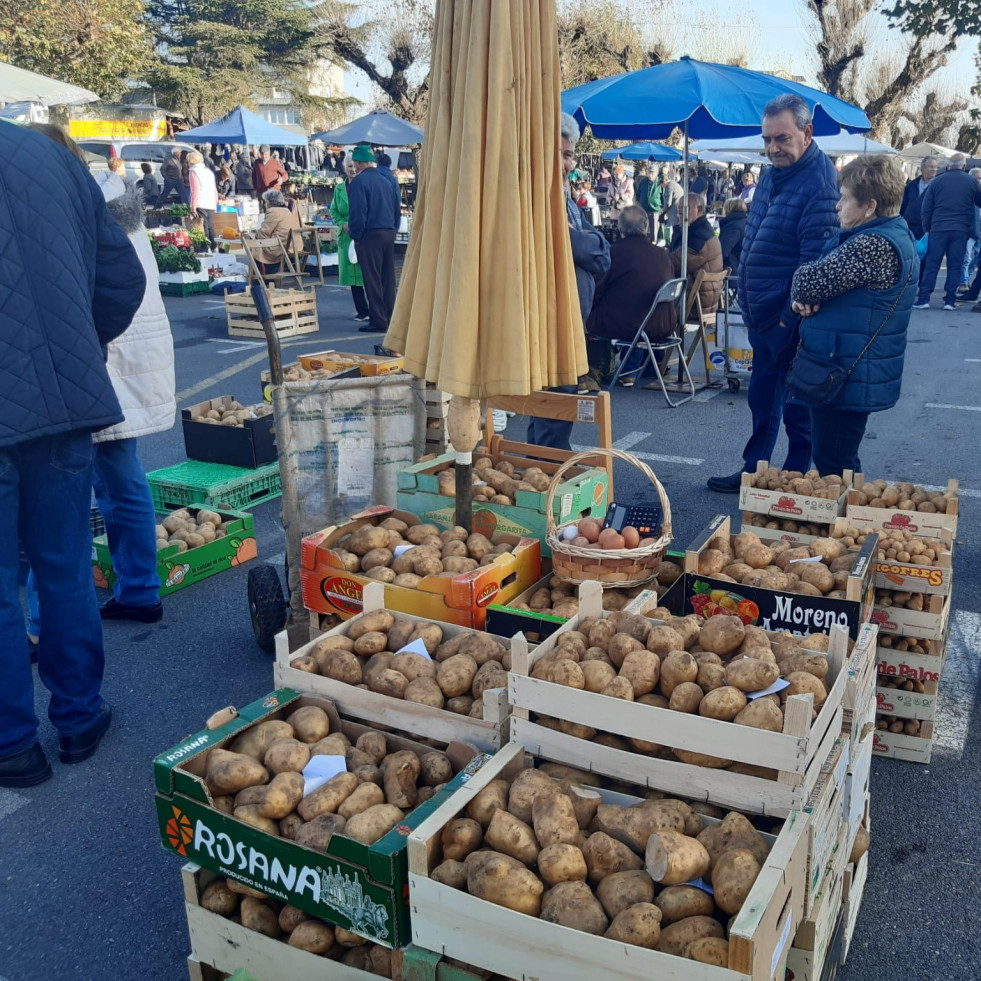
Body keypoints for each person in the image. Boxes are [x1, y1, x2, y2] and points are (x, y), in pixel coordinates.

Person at [0, 123, 145, 788]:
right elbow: (122, 277)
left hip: (42, 403)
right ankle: (80, 718)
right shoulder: (48, 156)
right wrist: (75, 346)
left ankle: (12, 743)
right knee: (62, 567)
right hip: (61, 404)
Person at [28, 171, 176, 636]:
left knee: (58, 493)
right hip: (123, 367)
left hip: (96, 367)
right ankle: (139, 590)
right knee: (120, 479)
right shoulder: (120, 211)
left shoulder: (79, 216)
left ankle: (42, 619)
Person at [708, 94, 840, 492]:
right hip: (762, 315)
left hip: (791, 320)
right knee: (762, 401)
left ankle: (795, 480)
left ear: (807, 133)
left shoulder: (819, 182)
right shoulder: (770, 174)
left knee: (797, 409)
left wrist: (786, 318)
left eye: (781, 139)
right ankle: (756, 472)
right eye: (767, 139)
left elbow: (813, 263)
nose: (772, 148)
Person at [789, 156, 916, 474]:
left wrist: (804, 293)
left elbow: (806, 282)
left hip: (844, 371)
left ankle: (847, 523)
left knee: (835, 461)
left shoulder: (873, 245)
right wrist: (806, 298)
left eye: (844, 198)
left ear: (870, 206)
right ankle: (847, 520)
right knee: (837, 457)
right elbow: (816, 288)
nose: (837, 206)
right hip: (847, 366)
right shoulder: (888, 234)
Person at [527, 112, 610, 447]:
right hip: (551, 321)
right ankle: (547, 473)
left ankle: (543, 466)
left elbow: (601, 253)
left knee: (554, 408)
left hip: (571, 320)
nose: (563, 164)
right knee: (554, 406)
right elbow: (578, 246)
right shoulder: (538, 200)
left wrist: (588, 245)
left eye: (567, 154)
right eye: (556, 154)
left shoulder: (565, 200)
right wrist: (588, 245)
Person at [584, 205, 674, 388]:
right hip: (662, 324)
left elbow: (596, 290)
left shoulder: (613, 252)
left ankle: (596, 370)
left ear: (620, 227)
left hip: (628, 326)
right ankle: (635, 369)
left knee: (590, 310)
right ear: (646, 227)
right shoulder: (662, 255)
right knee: (631, 306)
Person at [914, 153, 981, 310]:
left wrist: (927, 229)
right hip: (960, 230)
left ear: (948, 166)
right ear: (964, 166)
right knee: (955, 265)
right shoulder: (972, 181)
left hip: (938, 229)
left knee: (932, 264)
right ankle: (950, 301)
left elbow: (926, 207)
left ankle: (924, 299)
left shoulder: (937, 181)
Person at [349, 145, 401, 334]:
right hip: (388, 232)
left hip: (370, 234)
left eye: (355, 163)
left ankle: (378, 319)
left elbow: (357, 212)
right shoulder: (386, 180)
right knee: (388, 279)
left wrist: (356, 235)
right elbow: (396, 207)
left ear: (359, 162)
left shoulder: (359, 182)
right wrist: (393, 229)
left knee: (372, 279)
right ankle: (391, 317)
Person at [670, 192, 724, 316]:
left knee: (647, 302)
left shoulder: (700, 236)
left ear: (699, 210)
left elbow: (676, 264)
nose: (680, 213)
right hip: (700, 297)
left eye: (685, 209)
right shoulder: (698, 231)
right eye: (679, 209)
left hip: (697, 301)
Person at [331, 150, 370, 322]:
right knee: (352, 276)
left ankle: (374, 308)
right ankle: (361, 310)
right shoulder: (339, 188)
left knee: (367, 274)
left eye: (354, 166)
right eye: (349, 166)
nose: (352, 169)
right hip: (346, 236)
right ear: (344, 168)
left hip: (364, 234)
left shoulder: (365, 184)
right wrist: (342, 223)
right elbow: (334, 210)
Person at [254, 189, 302, 265]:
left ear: (268, 202)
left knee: (255, 245)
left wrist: (255, 235)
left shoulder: (273, 211)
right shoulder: (287, 211)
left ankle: (262, 272)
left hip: (282, 248)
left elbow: (264, 232)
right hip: (295, 246)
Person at [899, 155, 937, 242]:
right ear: (922, 168)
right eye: (931, 167)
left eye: (935, 167)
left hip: (927, 230)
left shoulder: (938, 187)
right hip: (909, 227)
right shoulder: (911, 185)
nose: (934, 169)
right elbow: (903, 205)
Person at [187, 151, 218, 249]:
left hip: (201, 202)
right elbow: (214, 189)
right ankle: (213, 245)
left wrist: (193, 206)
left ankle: (205, 247)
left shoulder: (194, 171)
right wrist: (215, 202)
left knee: (202, 225)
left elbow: (195, 190)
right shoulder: (208, 172)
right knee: (210, 225)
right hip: (210, 202)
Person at [718, 196, 748, 276]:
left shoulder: (733, 227)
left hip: (733, 272)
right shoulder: (746, 223)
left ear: (728, 210)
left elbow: (723, 250)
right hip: (744, 270)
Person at [660, 168, 685, 247]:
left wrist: (663, 213)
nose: (661, 187)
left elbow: (668, 203)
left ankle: (673, 245)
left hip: (675, 211)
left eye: (661, 185)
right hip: (679, 209)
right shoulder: (675, 184)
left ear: (664, 182)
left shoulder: (669, 186)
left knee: (675, 230)